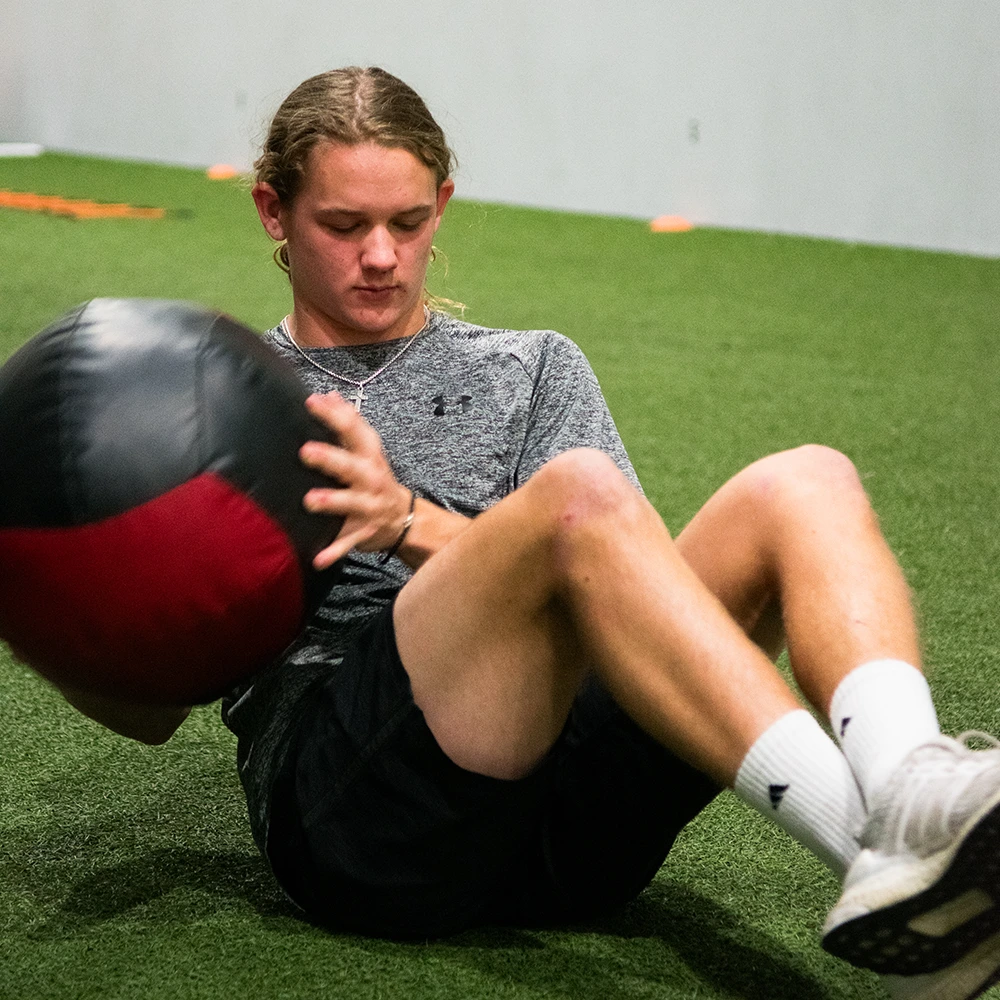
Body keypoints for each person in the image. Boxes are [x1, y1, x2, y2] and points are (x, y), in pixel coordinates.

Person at [69, 67, 1000, 1000]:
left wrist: (405, 524)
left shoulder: (532, 367)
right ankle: (877, 848)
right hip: (363, 829)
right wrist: (47, 604)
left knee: (808, 478)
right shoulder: (228, 401)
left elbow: (632, 608)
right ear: (275, 211)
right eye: (344, 226)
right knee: (578, 494)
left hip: (573, 834)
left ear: (442, 203)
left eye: (408, 222)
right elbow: (150, 712)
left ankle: (913, 794)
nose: (384, 256)